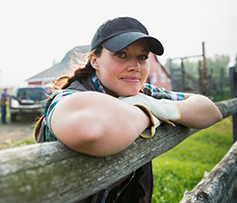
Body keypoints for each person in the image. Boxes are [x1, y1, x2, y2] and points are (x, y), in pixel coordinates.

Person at [33, 17, 222, 203]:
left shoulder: (141, 92)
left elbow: (210, 110)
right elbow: (88, 130)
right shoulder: (67, 98)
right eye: (121, 54)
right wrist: (145, 113)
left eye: (142, 57)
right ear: (95, 61)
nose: (135, 67)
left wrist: (155, 106)